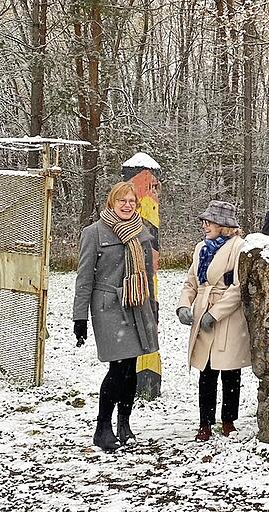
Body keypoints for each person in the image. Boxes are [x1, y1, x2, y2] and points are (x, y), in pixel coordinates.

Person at [73, 181, 159, 452]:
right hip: (108, 306)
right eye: (122, 200)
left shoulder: (141, 234)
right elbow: (84, 277)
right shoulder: (94, 233)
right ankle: (102, 428)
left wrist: (151, 310)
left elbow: (146, 276)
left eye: (132, 201)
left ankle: (124, 424)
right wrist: (80, 318)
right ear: (111, 203)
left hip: (135, 305)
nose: (127, 205)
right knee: (117, 366)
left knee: (131, 367)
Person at [176, 200, 251, 441]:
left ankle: (229, 420)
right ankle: (204, 423)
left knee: (229, 371)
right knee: (206, 371)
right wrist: (183, 306)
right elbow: (191, 282)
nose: (205, 225)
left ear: (223, 225)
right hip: (202, 309)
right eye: (204, 221)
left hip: (228, 317)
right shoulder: (202, 248)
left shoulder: (239, 247)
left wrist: (215, 313)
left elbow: (239, 288)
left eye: (209, 222)